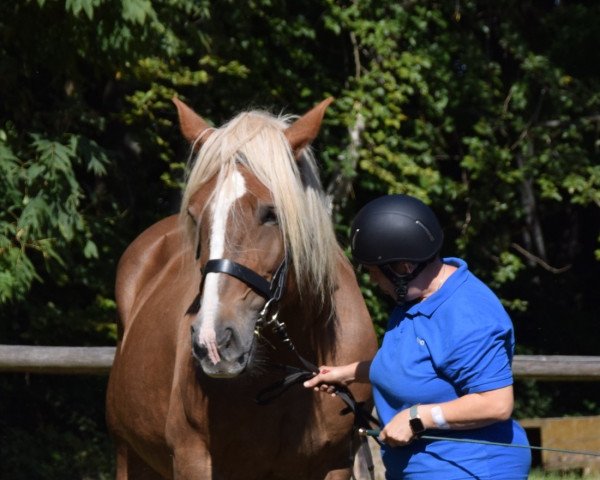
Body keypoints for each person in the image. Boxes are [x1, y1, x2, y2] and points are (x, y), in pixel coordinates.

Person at [304, 194, 531, 480]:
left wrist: (418, 418)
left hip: (471, 470)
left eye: (375, 272)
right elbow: (409, 367)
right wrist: (345, 373)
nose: (373, 281)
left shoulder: (468, 316)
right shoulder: (415, 300)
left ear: (404, 268)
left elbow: (496, 403)